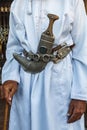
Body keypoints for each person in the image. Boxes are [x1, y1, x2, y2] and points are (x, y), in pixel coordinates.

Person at [1, 0, 87, 130]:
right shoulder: (18, 3)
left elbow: (82, 48)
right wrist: (11, 77)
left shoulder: (73, 2)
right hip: (25, 83)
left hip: (59, 82)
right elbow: (15, 46)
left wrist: (80, 95)